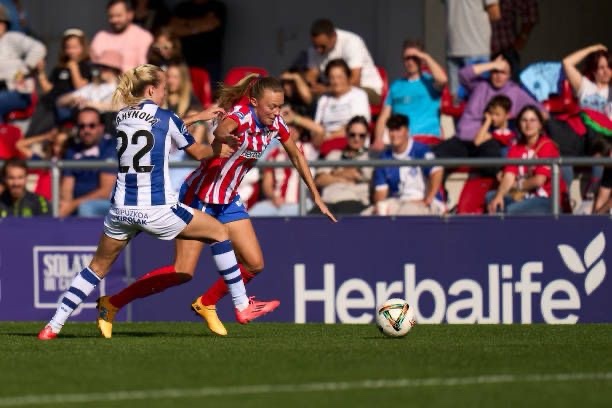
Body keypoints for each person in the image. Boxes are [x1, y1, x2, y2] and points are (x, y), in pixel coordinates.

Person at [38, 64, 278, 340]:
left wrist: (196, 117)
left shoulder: (121, 116)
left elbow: (158, 126)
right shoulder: (167, 117)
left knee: (96, 269)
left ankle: (53, 326)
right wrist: (217, 149)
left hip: (120, 210)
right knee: (219, 232)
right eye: (163, 88)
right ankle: (241, 304)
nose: (165, 93)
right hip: (156, 209)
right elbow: (198, 152)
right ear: (152, 89)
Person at [96, 74, 337, 337]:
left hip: (228, 199)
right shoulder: (241, 116)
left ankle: (207, 303)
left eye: (279, 106)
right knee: (182, 272)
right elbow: (222, 129)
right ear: (255, 102)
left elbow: (297, 155)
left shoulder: (276, 123)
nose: (277, 112)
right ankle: (112, 303)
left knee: (254, 264)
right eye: (272, 107)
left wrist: (315, 195)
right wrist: (224, 135)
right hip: (199, 196)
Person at [434, 54, 541, 177]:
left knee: (492, 164)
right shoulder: (480, 85)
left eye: (503, 72)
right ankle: (438, 189)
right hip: (463, 140)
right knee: (432, 158)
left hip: (488, 141)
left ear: (510, 75)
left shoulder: (515, 92)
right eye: (495, 71)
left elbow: (540, 112)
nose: (498, 76)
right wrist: (493, 64)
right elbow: (463, 74)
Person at [487, 106, 565, 215]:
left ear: (540, 125)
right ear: (519, 124)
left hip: (546, 200)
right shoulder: (516, 147)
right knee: (491, 197)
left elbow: (539, 180)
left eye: (533, 120)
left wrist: (516, 185)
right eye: (524, 120)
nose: (528, 124)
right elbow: (509, 176)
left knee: (511, 210)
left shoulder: (547, 145)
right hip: (524, 197)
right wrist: (499, 196)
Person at [373, 39, 447, 151]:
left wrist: (426, 57)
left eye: (415, 58)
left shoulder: (431, 82)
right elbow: (384, 116)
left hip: (426, 139)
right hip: (400, 141)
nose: (410, 61)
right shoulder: (396, 86)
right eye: (407, 58)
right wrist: (378, 139)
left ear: (422, 59)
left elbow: (443, 79)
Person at [370, 114, 445, 216]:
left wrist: (428, 199)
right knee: (365, 216)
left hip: (424, 202)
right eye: (391, 130)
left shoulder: (421, 150)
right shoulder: (384, 157)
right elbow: (381, 191)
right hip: (399, 202)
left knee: (406, 212)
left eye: (398, 129)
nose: (394, 134)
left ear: (407, 131)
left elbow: (437, 171)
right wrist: (380, 206)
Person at [27, 28, 91, 137]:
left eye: (75, 47)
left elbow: (80, 87)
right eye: (68, 47)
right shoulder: (59, 68)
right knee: (32, 129)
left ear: (83, 47)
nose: (71, 51)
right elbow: (48, 89)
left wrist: (74, 68)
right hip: (47, 103)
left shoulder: (86, 66)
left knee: (42, 129)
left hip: (64, 108)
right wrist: (41, 72)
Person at [306, 18, 383, 105]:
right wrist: (311, 86)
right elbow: (312, 74)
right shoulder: (314, 48)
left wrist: (326, 90)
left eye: (323, 46)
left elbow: (355, 82)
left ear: (333, 36)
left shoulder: (352, 42)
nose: (318, 50)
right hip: (332, 90)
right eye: (315, 46)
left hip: (366, 88)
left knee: (338, 99)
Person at [58, 108, 117, 217]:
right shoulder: (72, 150)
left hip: (109, 206)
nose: (86, 130)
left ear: (101, 127)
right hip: (78, 205)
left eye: (91, 126)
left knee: (86, 208)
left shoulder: (110, 147)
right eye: (82, 126)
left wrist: (72, 205)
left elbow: (106, 191)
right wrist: (65, 205)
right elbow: (67, 188)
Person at [311, 115, 373, 215]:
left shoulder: (370, 157)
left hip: (354, 202)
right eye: (352, 135)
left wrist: (333, 173)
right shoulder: (334, 155)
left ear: (366, 136)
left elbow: (356, 174)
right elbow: (319, 180)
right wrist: (343, 178)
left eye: (361, 135)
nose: (356, 139)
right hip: (327, 202)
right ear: (347, 134)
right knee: (307, 220)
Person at [309, 59, 371, 149]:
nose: (336, 81)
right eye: (332, 78)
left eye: (340, 77)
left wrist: (329, 136)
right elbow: (317, 126)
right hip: (324, 144)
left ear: (348, 77)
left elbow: (358, 126)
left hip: (350, 143)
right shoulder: (324, 99)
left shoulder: (359, 95)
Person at [446, 0, 500, 101]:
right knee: (479, 101)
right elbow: (495, 14)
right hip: (476, 47)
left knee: (456, 103)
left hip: (453, 47)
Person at [0, 4, 46, 121]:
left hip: (17, 91)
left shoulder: (12, 38)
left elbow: (39, 48)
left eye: (0, 23)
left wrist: (25, 69)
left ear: (5, 24)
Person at [169, 0, 226, 87]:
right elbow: (174, 28)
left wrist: (185, 23)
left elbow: (211, 23)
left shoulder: (217, 7)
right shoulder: (182, 7)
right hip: (184, 60)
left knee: (208, 91)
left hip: (209, 61)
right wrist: (199, 26)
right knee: (181, 90)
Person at [90, 0, 153, 72]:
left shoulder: (143, 37)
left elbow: (143, 70)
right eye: (111, 16)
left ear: (130, 15)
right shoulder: (100, 37)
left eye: (118, 15)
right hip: (102, 78)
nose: (114, 20)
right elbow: (94, 67)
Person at [491, 0, 539, 78]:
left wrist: (523, 36)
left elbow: (530, 8)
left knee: (509, 84)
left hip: (506, 50)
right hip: (477, 51)